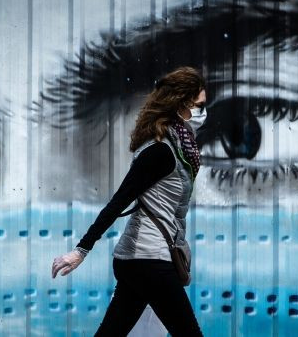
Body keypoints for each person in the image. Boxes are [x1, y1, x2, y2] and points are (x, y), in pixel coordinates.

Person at [51, 66, 207, 336]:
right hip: (149, 260)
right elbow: (118, 202)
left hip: (138, 262)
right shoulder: (160, 152)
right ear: (182, 104)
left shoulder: (179, 149)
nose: (203, 112)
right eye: (199, 105)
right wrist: (81, 251)